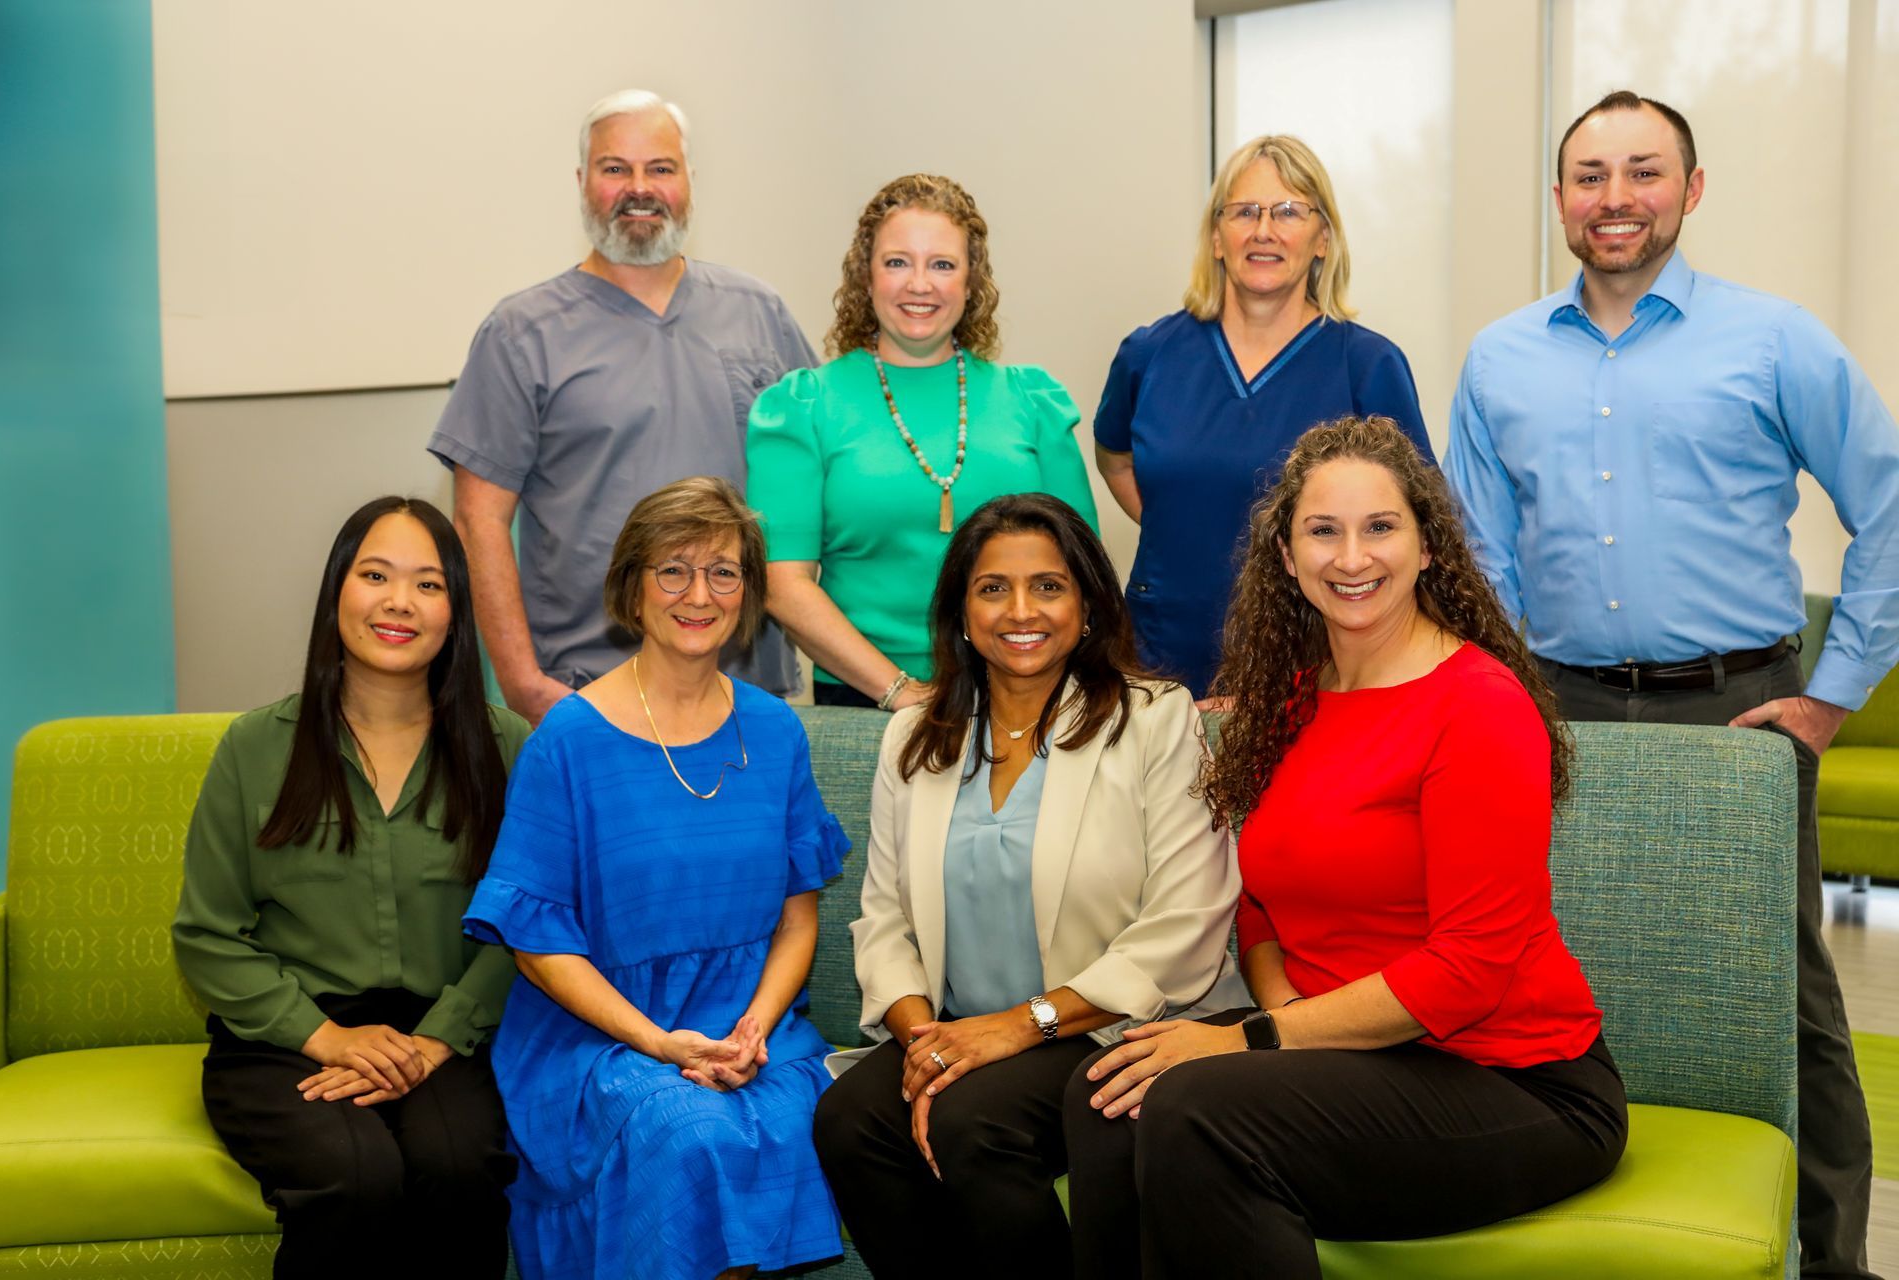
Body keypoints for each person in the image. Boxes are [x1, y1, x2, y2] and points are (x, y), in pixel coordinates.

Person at [1443, 90, 1897, 1279]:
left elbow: (1889, 508)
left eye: (1644, 172)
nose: (1616, 198)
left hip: (1736, 713)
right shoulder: (1498, 357)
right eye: (1590, 176)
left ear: (1690, 191)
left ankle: (1832, 1256)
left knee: (1782, 994)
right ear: (1559, 200)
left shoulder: (1775, 338)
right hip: (1552, 710)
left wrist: (1832, 694)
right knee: (1554, 967)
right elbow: (1474, 560)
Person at [1063, 418, 1629, 1279]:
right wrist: (1281, 1016)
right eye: (1322, 531)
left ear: (1429, 545)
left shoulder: (1478, 705)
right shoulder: (1292, 696)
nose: (1351, 557)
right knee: (1107, 1096)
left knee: (1193, 1110)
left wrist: (1258, 1039)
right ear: (1286, 556)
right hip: (1350, 1055)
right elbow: (1257, 903)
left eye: (1380, 527)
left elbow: (1469, 969)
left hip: (1515, 1079)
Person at [813, 493, 1245, 1279]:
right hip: (957, 1030)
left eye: (1048, 586)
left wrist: (1019, 1025)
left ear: (1087, 606)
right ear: (961, 611)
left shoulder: (1154, 720)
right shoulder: (915, 736)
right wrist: (922, 1045)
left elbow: (1189, 920)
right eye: (993, 588)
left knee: (974, 1123)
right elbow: (882, 920)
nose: (1022, 610)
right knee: (848, 1119)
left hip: (1107, 1025)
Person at [463, 476, 847, 1280]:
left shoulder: (776, 731)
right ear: (631, 589)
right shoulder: (567, 740)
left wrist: (751, 1031)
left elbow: (797, 920)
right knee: (689, 1129)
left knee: (796, 1116)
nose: (698, 594)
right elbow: (536, 947)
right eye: (673, 570)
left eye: (723, 572)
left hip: (751, 1030)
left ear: (746, 595)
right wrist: (657, 1042)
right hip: (599, 1040)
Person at [173, 497, 528, 1279]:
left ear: (455, 610)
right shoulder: (255, 747)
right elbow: (207, 934)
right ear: (338, 591)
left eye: (429, 584)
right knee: (355, 1175)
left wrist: (439, 1038)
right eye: (376, 575)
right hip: (287, 1041)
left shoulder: (505, 747)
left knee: (461, 1166)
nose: (399, 602)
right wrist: (329, 1039)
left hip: (444, 1038)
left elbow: (530, 921)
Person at [428, 88, 814, 724]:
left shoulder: (759, 313)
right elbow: (478, 522)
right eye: (616, 169)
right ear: (583, 182)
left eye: (660, 168)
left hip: (747, 686)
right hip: (589, 691)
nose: (640, 188)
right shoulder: (522, 332)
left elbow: (818, 491)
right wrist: (523, 683)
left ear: (688, 180)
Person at [1091, 135, 1432, 700]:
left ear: (1323, 238)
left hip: (1312, 658)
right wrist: (1178, 526)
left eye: (1289, 211)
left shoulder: (1366, 365)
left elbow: (1414, 521)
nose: (1264, 230)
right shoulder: (1149, 354)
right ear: (1216, 238)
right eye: (1244, 211)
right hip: (1160, 652)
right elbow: (1115, 458)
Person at [748, 173, 1100, 711]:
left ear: (970, 281)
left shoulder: (1032, 402)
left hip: (1032, 693)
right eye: (897, 262)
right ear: (865, 277)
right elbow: (782, 582)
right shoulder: (804, 407)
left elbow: (1083, 572)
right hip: (866, 702)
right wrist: (901, 692)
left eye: (942, 264)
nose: (920, 284)